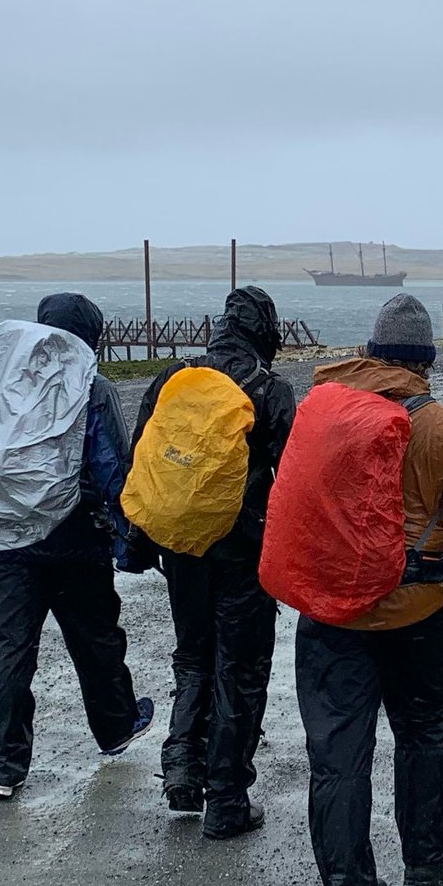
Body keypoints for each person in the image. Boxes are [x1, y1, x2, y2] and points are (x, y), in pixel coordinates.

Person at [294, 294, 443, 886]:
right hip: (418, 614)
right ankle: (427, 856)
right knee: (426, 735)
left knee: (337, 755)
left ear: (369, 352)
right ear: (427, 362)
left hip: (332, 613)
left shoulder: (321, 412)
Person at [127, 286, 295, 838]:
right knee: (240, 669)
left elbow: (142, 458)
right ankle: (226, 799)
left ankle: (181, 767)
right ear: (265, 331)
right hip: (243, 550)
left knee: (193, 656)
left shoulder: (178, 379)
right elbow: (290, 482)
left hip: (181, 545)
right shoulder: (270, 390)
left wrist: (138, 537)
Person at [0, 293, 154, 800]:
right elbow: (112, 467)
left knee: (8, 651)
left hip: (8, 538)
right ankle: (117, 725)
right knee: (95, 639)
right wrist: (130, 534)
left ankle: (2, 763)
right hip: (77, 540)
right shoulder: (93, 389)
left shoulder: (3, 385)